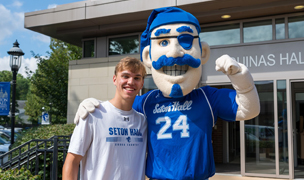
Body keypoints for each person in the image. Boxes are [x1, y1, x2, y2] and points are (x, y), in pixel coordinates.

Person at [74, 7, 260, 180]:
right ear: (148, 56)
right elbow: (118, 113)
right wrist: (96, 106)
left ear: (203, 52)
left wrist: (241, 78)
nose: (174, 52)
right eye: (163, 42)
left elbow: (248, 110)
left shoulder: (207, 97)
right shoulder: (146, 102)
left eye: (186, 40)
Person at [62, 57, 147, 180]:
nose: (131, 82)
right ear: (114, 79)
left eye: (137, 78)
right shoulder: (92, 114)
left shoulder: (143, 122)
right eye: (125, 76)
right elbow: (72, 161)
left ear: (142, 84)